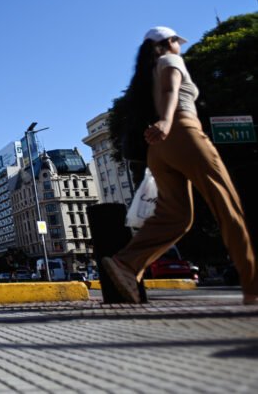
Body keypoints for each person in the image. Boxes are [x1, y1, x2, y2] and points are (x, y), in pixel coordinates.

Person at [102, 27, 257, 305]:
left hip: (157, 150)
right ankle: (253, 284)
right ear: (168, 43)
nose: (180, 46)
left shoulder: (143, 77)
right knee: (226, 203)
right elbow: (171, 89)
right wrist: (167, 120)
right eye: (177, 41)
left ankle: (125, 263)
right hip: (182, 132)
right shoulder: (170, 61)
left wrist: (161, 124)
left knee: (176, 218)